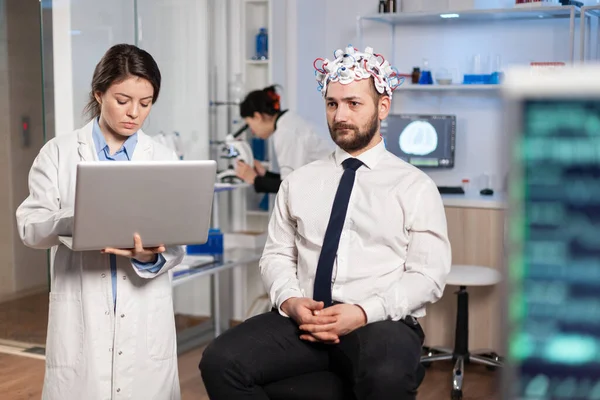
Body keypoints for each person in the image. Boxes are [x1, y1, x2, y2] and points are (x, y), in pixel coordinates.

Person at [199, 45, 452, 399]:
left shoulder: (414, 187)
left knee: (386, 376)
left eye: (353, 103)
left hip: (378, 321)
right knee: (219, 361)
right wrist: (290, 302)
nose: (340, 115)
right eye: (332, 104)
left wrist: (363, 312)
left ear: (382, 107)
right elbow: (275, 257)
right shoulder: (299, 182)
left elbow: (428, 276)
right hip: (304, 317)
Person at [16, 44, 185, 400]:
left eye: (145, 102)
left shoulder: (163, 158)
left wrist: (148, 256)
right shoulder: (60, 153)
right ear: (99, 92)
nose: (134, 113)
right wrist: (78, 217)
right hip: (82, 313)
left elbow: (176, 244)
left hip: (144, 315)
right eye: (123, 100)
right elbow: (30, 227)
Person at [234, 85, 334, 193]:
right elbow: (292, 180)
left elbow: (290, 188)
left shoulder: (286, 132)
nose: (252, 132)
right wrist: (264, 173)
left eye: (250, 125)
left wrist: (254, 179)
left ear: (257, 117)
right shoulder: (289, 122)